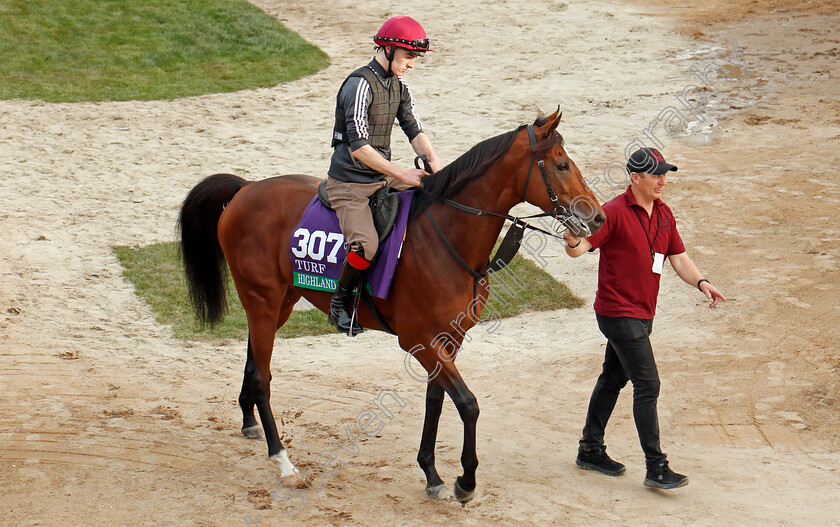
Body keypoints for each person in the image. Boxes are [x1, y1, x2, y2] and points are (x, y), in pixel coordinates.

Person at [563, 147, 725, 489]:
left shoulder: (665, 215)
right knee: (648, 384)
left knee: (612, 378)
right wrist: (571, 239)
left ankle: (589, 449)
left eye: (664, 174)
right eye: (655, 174)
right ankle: (657, 467)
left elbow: (679, 258)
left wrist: (702, 283)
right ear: (635, 178)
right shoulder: (613, 213)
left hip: (642, 312)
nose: (662, 181)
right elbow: (581, 249)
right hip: (617, 311)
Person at [326, 15, 443, 336]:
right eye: (408, 57)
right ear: (388, 50)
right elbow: (359, 148)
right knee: (366, 246)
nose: (412, 65)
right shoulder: (358, 85)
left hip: (381, 177)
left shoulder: (399, 86)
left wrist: (438, 168)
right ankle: (339, 304)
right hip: (349, 184)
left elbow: (414, 130)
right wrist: (402, 173)